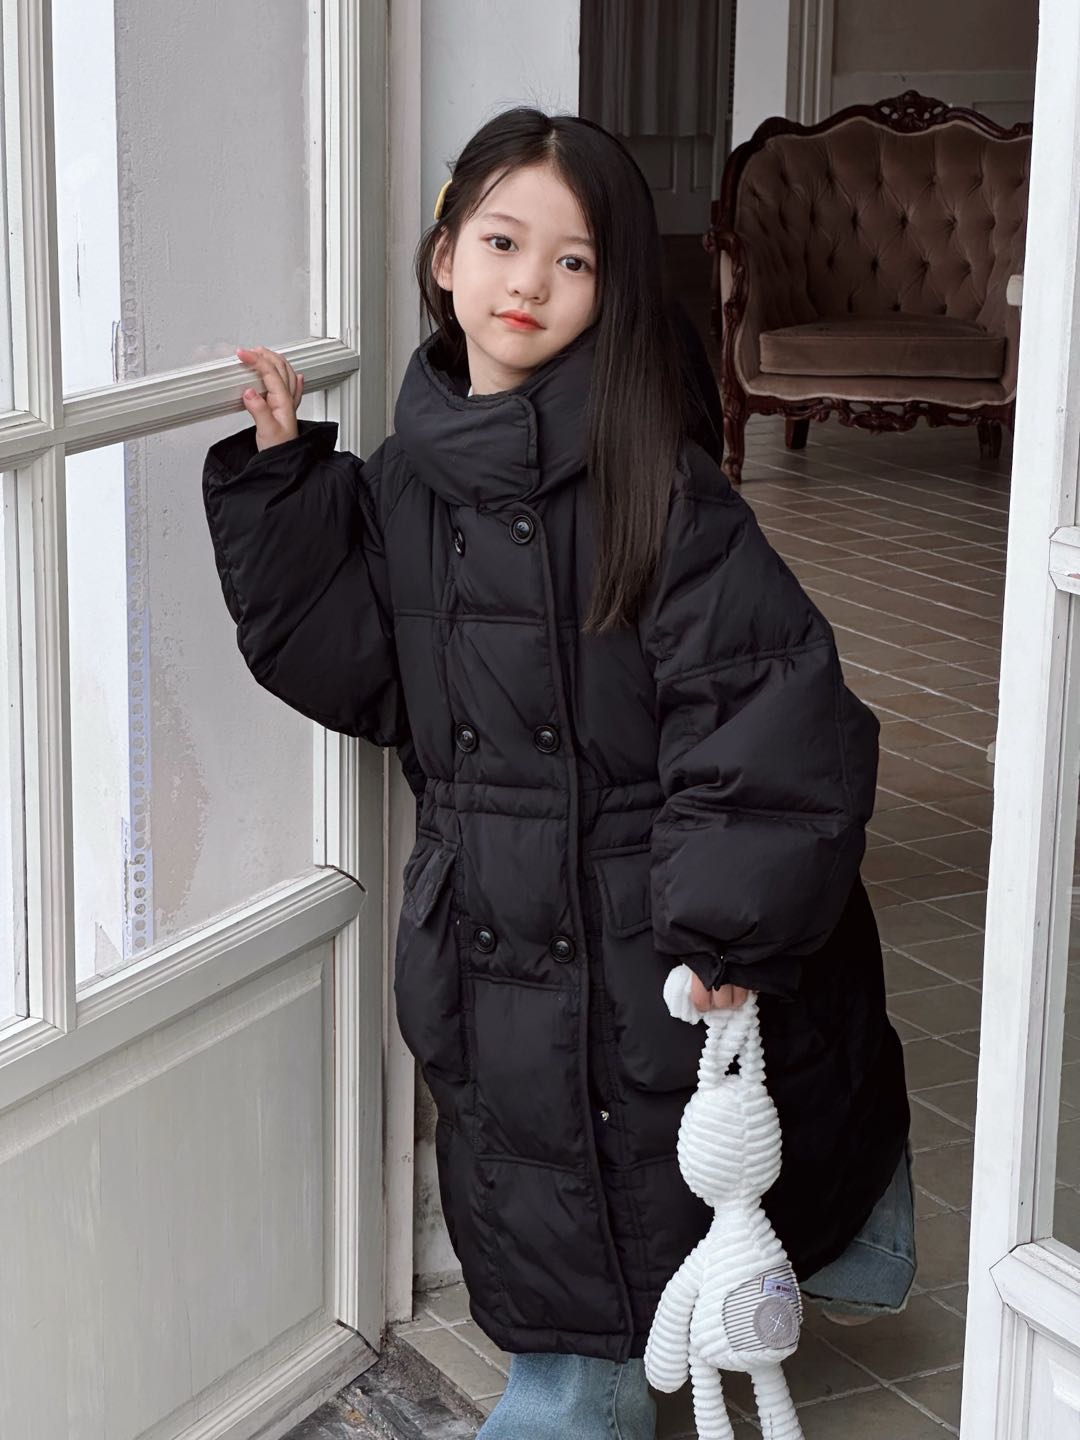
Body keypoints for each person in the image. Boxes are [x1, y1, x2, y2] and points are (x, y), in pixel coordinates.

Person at [201, 107, 912, 1440]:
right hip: (492, 926)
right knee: (552, 1190)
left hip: (649, 920)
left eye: (573, 260)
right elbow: (358, 669)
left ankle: (612, 1380)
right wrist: (287, 483)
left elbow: (769, 709)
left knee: (652, 1182)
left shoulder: (661, 490)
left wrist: (724, 921)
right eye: (501, 242)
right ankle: (620, 1365)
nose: (527, 282)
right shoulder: (405, 483)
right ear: (444, 259)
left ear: (614, 289)